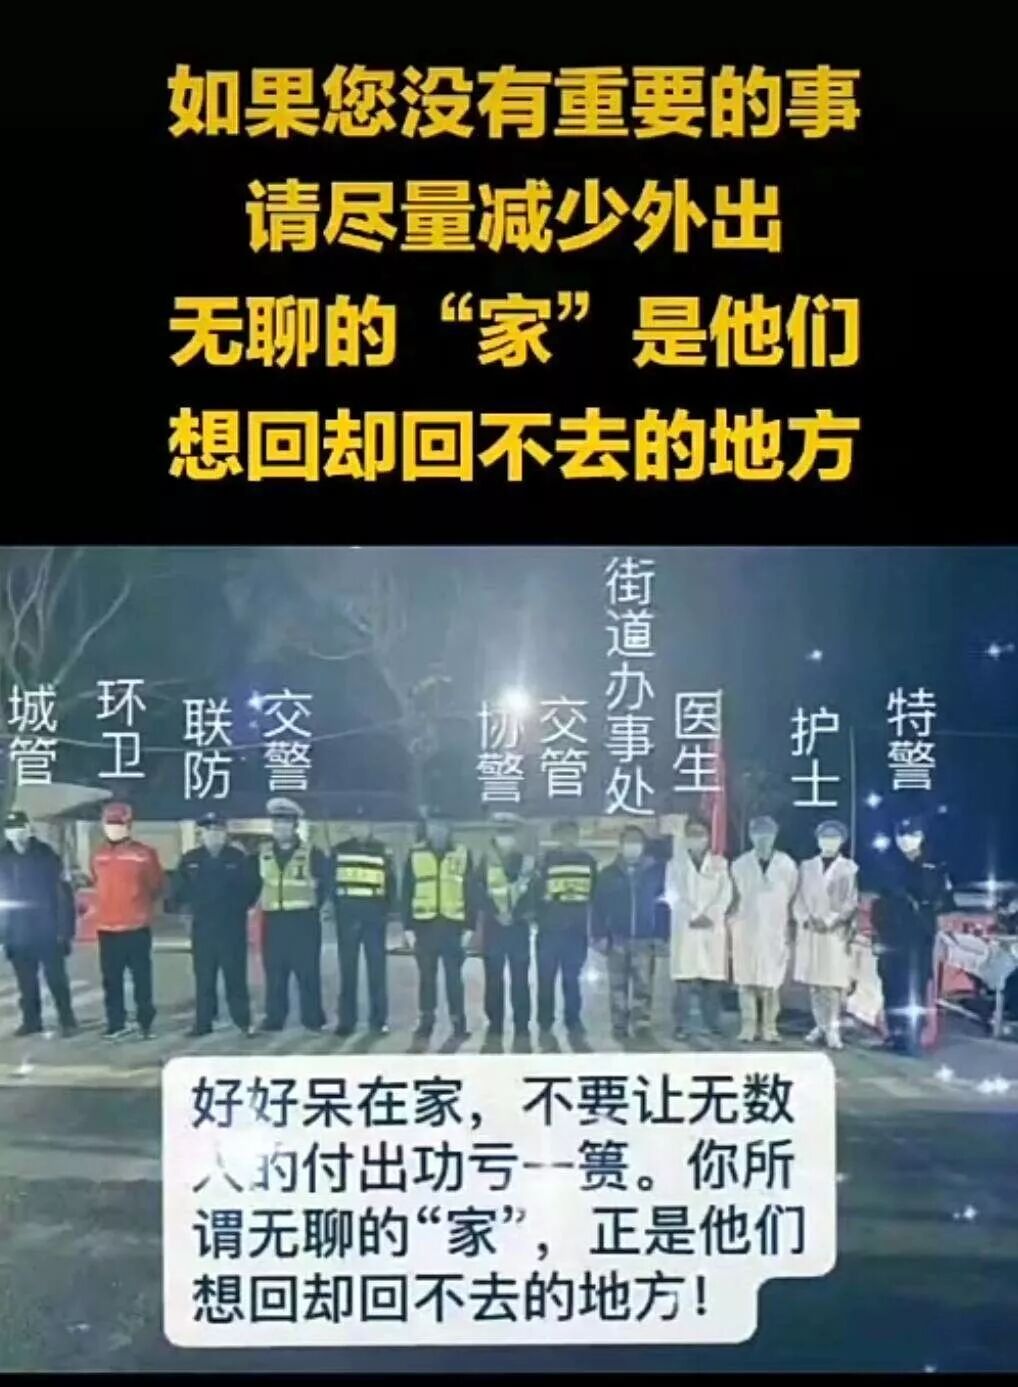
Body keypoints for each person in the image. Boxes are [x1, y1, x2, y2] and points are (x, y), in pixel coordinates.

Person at [871, 816, 954, 1056]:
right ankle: (895, 1035)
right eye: (902, 835)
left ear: (921, 837)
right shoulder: (889, 864)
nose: (907, 840)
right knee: (891, 986)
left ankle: (912, 1038)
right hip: (891, 937)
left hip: (918, 938)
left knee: (914, 988)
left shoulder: (933, 866)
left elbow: (944, 902)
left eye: (912, 835)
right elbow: (879, 900)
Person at [173, 811, 260, 1037]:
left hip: (232, 928)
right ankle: (203, 1023)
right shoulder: (190, 859)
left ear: (225, 833)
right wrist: (185, 913)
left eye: (218, 830)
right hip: (203, 929)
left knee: (235, 978)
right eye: (209, 830)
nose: (213, 835)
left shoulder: (238, 858)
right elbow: (178, 891)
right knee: (204, 979)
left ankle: (243, 1022)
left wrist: (240, 908)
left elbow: (252, 887)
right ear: (201, 834)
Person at [90, 802, 165, 1040]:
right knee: (111, 980)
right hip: (107, 928)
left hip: (136, 926)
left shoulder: (144, 854)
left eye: (118, 824)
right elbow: (96, 881)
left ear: (128, 825)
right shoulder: (98, 854)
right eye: (109, 824)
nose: (113, 828)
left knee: (141, 978)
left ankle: (145, 1022)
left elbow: (156, 885)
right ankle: (116, 1023)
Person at [0, 811, 77, 1037]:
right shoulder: (3, 858)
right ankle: (32, 1021)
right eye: (11, 828)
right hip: (18, 932)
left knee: (56, 979)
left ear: (28, 828)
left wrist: (65, 930)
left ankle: (67, 1020)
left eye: (20, 827)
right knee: (26, 982)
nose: (16, 832)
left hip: (48, 930)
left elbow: (63, 895)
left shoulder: (46, 855)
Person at [258, 797, 330, 1032]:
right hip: (274, 921)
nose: (280, 828)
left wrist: (317, 905)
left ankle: (313, 1018)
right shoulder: (262, 853)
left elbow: (326, 884)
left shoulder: (312, 853)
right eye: (276, 824)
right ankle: (275, 1018)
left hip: (303, 921)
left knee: (307, 972)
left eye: (286, 823)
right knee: (275, 973)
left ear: (295, 826)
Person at [591, 825, 668, 1042]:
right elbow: (597, 907)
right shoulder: (608, 874)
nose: (632, 846)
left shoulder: (656, 873)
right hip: (617, 938)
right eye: (628, 841)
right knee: (617, 985)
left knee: (644, 984)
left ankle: (642, 1023)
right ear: (621, 845)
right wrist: (599, 935)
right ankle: (619, 1024)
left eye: (636, 841)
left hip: (645, 938)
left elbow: (663, 906)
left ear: (643, 845)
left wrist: (662, 935)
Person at [402, 813, 474, 1042]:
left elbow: (470, 891)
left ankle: (458, 1021)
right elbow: (407, 891)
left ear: (449, 829)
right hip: (424, 925)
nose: (438, 831)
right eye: (433, 827)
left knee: (454, 978)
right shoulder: (415, 854)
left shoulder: (462, 854)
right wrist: (407, 928)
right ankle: (426, 1021)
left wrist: (470, 926)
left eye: (442, 827)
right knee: (426, 978)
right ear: (427, 829)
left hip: (453, 926)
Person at [729, 816, 798, 1044]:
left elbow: (791, 894)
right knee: (746, 981)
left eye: (767, 832)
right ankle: (748, 1027)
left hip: (774, 929)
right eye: (758, 832)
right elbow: (734, 896)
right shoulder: (739, 864)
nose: (762, 837)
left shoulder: (786, 864)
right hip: (745, 928)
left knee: (771, 984)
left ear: (775, 835)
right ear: (750, 835)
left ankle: (770, 1027)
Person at [664, 813, 732, 1041]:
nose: (696, 838)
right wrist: (692, 916)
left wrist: (710, 916)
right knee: (683, 981)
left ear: (708, 837)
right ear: (685, 837)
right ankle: (681, 1025)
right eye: (692, 834)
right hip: (686, 928)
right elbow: (672, 894)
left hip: (711, 929)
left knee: (712, 982)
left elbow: (725, 894)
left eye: (700, 834)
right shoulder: (675, 865)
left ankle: (712, 1024)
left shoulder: (720, 864)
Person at [792, 819, 859, 1050]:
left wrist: (830, 920)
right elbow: (799, 898)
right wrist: (806, 918)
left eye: (833, 837)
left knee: (832, 984)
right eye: (825, 837)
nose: (829, 841)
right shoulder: (807, 866)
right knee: (815, 984)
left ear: (841, 841)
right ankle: (819, 1025)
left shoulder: (849, 868)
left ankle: (832, 1028)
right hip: (811, 930)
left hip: (834, 932)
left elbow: (850, 902)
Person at [331, 813, 397, 1037]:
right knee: (347, 972)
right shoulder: (339, 850)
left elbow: (390, 884)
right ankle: (346, 1021)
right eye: (356, 825)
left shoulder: (383, 850)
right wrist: (338, 909)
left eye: (364, 825)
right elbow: (331, 883)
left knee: (377, 972)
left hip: (374, 918)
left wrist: (386, 912)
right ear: (350, 827)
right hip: (347, 918)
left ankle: (379, 1021)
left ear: (371, 827)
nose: (360, 829)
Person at [475, 812, 536, 1044]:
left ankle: (522, 1025)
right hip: (494, 928)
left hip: (518, 929)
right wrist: (495, 912)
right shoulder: (484, 862)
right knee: (493, 980)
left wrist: (517, 915)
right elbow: (477, 892)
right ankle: (495, 1024)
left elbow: (533, 893)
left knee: (520, 980)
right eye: (501, 832)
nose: (505, 837)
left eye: (509, 832)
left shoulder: (525, 861)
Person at [534, 818, 597, 1040]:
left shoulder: (588, 861)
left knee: (572, 979)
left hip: (576, 931)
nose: (568, 839)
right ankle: (545, 1021)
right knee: (546, 979)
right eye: (564, 834)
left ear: (578, 836)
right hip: (549, 931)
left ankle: (573, 1020)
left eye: (572, 834)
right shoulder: (546, 861)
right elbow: (536, 892)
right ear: (556, 837)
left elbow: (594, 896)